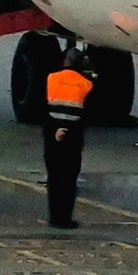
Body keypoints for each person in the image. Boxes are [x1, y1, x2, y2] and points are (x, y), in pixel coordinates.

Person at [43, 42, 95, 228]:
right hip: (72, 136)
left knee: (54, 176)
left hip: (51, 132)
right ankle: (65, 218)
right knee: (69, 177)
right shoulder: (86, 84)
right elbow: (88, 111)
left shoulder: (52, 78)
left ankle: (54, 216)